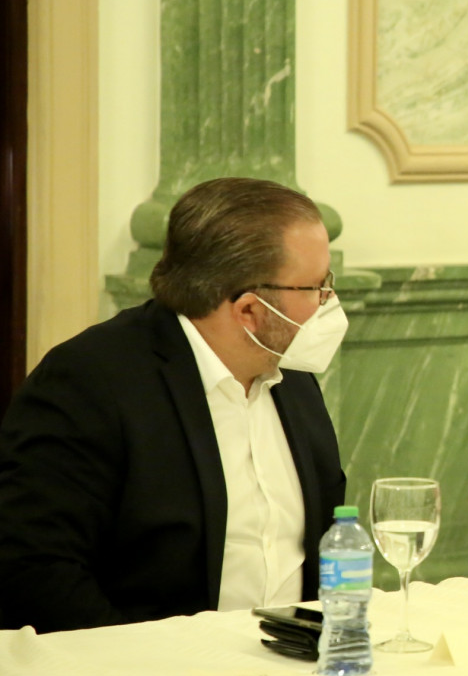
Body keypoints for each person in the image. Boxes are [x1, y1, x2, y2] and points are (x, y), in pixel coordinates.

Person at [0, 178, 348, 632]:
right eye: (316, 287)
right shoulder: (89, 381)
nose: (328, 303)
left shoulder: (292, 374)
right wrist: (150, 666)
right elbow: (37, 572)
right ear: (250, 310)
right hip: (148, 665)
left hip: (296, 656)